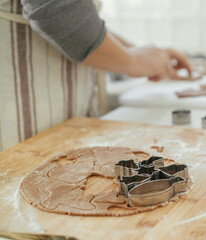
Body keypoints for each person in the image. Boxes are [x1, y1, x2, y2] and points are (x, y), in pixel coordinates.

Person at [0, 0, 192, 151]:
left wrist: (139, 52)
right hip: (21, 114)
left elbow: (80, 19)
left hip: (62, 108)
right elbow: (57, 11)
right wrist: (133, 61)